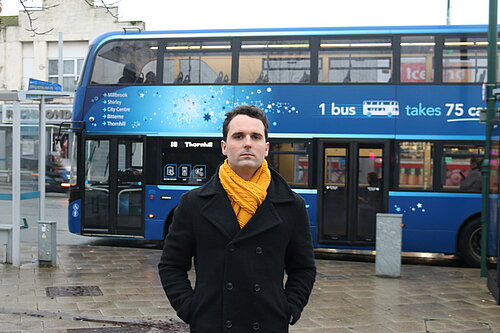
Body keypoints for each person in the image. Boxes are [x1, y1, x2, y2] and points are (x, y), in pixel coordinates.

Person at [158, 105, 316, 333]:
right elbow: (171, 265)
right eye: (239, 136)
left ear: (266, 147)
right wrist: (190, 308)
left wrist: (289, 307)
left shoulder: (292, 205)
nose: (248, 143)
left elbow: (303, 268)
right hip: (212, 324)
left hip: (268, 324)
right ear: (224, 146)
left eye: (256, 137)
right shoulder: (193, 204)